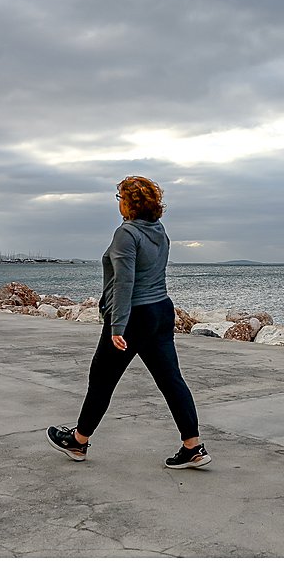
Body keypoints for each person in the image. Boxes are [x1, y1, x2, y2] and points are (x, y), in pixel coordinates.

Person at [47, 176, 211, 469]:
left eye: (120, 197)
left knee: (102, 379)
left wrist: (118, 326)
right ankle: (193, 447)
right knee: (171, 379)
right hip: (161, 311)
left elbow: (125, 282)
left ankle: (78, 442)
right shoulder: (159, 231)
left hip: (134, 315)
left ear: (129, 203)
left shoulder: (126, 234)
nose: (119, 202)